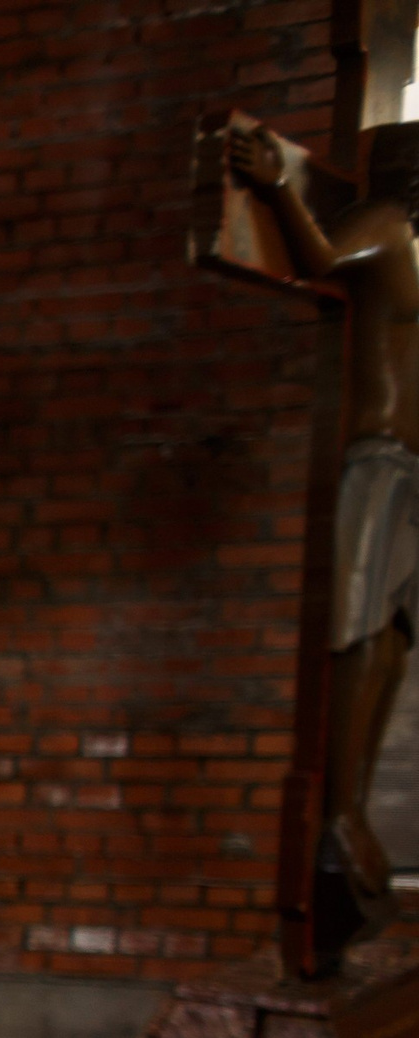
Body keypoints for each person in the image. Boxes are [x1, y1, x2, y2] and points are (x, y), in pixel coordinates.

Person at [232, 120, 419, 955]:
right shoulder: (381, 224)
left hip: (410, 468)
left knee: (388, 646)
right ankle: (339, 815)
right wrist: (276, 186)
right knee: (356, 635)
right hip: (377, 459)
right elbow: (316, 260)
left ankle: (356, 811)